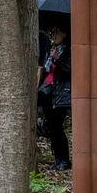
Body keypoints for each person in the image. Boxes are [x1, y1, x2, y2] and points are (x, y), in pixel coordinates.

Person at [40, 25, 72, 169]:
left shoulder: (69, 50)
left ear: (64, 33)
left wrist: (58, 59)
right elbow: (46, 68)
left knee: (58, 126)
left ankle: (64, 159)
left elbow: (70, 70)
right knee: (51, 127)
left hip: (61, 92)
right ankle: (57, 159)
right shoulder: (52, 49)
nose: (53, 35)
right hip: (48, 91)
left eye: (55, 32)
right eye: (51, 32)